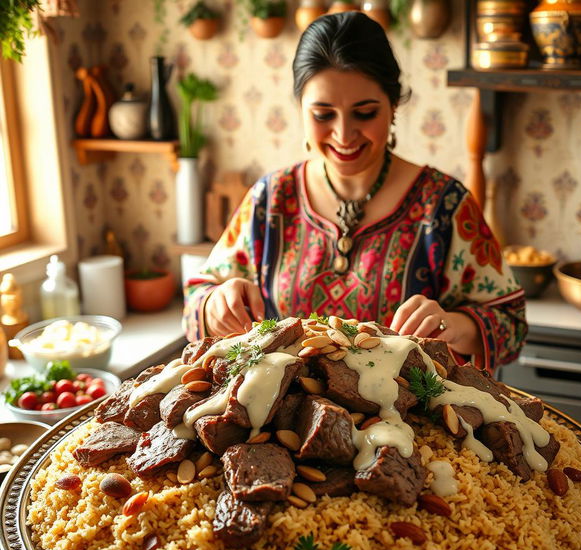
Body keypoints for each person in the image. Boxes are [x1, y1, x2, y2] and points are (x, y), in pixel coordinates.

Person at [183, 12, 526, 372]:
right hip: (279, 420)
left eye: (364, 113)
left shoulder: (444, 206)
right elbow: (197, 298)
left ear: (393, 107)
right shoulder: (270, 200)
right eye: (323, 115)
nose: (344, 135)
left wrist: (452, 325)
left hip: (410, 424)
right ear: (300, 109)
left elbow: (511, 326)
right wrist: (214, 304)